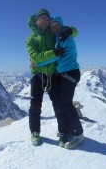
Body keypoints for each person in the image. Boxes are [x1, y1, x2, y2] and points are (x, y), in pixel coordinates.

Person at [33, 15, 84, 149]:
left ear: (60, 24)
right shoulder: (58, 37)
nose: (54, 27)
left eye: (56, 24)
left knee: (66, 103)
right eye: (52, 26)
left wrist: (37, 63)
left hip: (70, 73)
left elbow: (54, 57)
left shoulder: (63, 36)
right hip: (64, 74)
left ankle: (78, 134)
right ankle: (68, 131)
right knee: (63, 103)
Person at [26, 9, 72, 146]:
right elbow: (35, 57)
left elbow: (74, 32)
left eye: (46, 19)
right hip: (38, 75)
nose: (44, 21)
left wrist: (68, 30)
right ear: (36, 21)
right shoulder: (31, 39)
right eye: (41, 19)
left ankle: (63, 133)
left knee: (58, 104)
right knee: (35, 105)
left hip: (52, 74)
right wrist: (54, 53)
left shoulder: (53, 34)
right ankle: (35, 132)